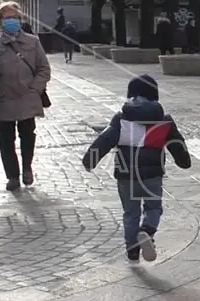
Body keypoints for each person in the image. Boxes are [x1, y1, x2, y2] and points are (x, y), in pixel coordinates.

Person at [82, 74, 192, 263]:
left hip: (125, 174)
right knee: (153, 207)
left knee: (130, 212)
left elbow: (105, 139)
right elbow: (177, 144)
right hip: (152, 174)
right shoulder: (164, 120)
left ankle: (132, 250)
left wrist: (89, 160)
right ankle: (147, 230)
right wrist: (184, 161)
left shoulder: (121, 118)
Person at [0, 2, 51, 191]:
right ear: (0, 21)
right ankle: (12, 176)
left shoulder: (33, 41)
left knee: (27, 135)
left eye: (15, 17)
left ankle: (27, 168)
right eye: (8, 18)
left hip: (27, 96)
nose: (12, 21)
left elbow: (44, 69)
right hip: (3, 98)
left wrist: (35, 89)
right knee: (5, 139)